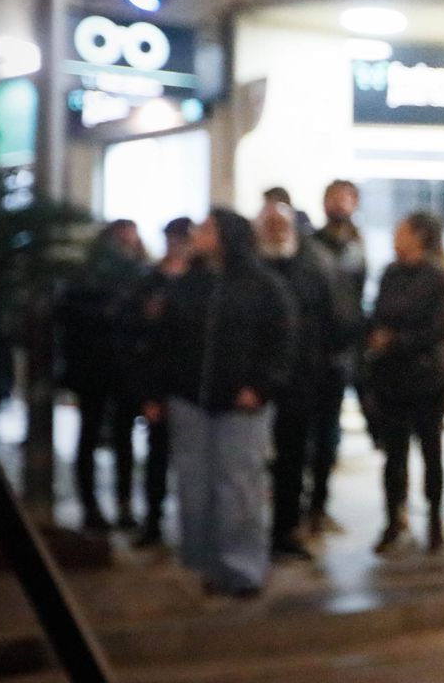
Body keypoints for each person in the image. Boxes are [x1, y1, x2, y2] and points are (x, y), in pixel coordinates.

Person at [141, 209, 297, 597]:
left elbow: (282, 342)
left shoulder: (263, 286)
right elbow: (164, 341)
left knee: (238, 486)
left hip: (240, 404)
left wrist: (260, 387)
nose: (198, 233)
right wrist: (156, 391)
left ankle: (241, 569)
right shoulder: (189, 283)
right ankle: (207, 564)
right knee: (195, 486)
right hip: (190, 400)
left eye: (208, 228)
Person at [256, 202, 347, 562]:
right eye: (271, 225)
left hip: (299, 380)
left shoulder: (313, 268)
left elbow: (333, 321)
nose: (277, 231)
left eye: (283, 224)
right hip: (255, 383)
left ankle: (285, 530)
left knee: (292, 459)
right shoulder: (250, 269)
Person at [365, 211, 444, 554]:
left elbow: (438, 328)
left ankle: (434, 518)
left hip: (426, 377)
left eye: (401, 230)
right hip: (392, 378)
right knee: (394, 454)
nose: (394, 235)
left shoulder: (438, 276)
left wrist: (396, 340)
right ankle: (393, 517)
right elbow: (378, 312)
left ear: (418, 236)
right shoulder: (391, 273)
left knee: (431, 451)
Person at [59, 219, 150, 532]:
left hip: (120, 368)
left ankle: (120, 505)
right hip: (97, 368)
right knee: (93, 434)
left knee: (120, 437)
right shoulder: (89, 277)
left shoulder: (138, 275)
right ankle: (93, 506)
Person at [125, 216, 195, 547]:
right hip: (161, 382)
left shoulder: (203, 281)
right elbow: (140, 339)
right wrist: (148, 393)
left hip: (193, 385)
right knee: (158, 455)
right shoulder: (151, 280)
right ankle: (154, 521)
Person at [308, 179, 367, 534]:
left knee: (329, 433)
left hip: (341, 354)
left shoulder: (356, 247)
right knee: (306, 433)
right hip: (312, 353)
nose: (340, 203)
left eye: (347, 198)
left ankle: (319, 504)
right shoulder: (311, 246)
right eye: (335, 196)